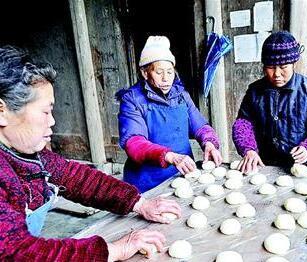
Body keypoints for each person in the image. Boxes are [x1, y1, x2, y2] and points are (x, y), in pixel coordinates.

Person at [0, 46, 182, 261]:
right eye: (45, 111)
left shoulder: (30, 155)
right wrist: (113, 250)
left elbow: (75, 178)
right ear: (2, 112)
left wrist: (138, 203)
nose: (52, 121)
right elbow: (17, 252)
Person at [117, 36, 222, 192]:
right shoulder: (132, 99)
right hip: (147, 181)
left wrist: (209, 143)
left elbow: (200, 126)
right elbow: (134, 142)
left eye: (170, 72)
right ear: (145, 73)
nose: (166, 78)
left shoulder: (181, 95)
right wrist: (169, 156)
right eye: (159, 72)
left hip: (183, 173)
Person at [232, 31, 307, 173]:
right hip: (264, 164)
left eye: (284, 67)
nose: (277, 74)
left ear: (293, 64)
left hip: (303, 165)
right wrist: (248, 149)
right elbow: (243, 123)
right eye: (271, 67)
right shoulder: (255, 90)